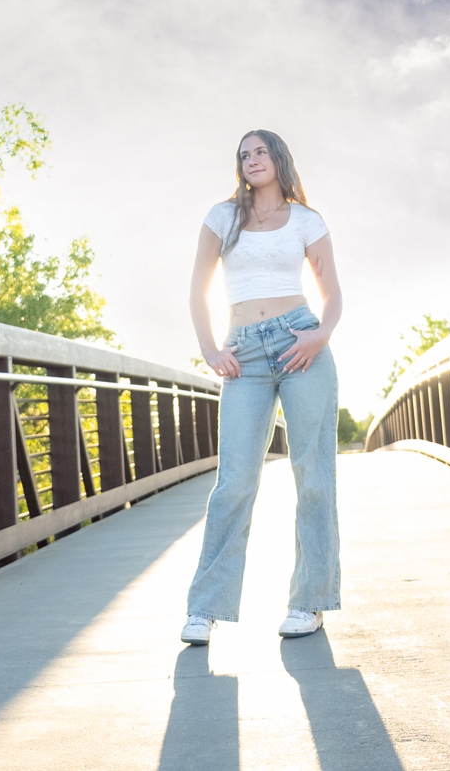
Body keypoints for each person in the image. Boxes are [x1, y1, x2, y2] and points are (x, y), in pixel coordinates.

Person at [181, 129, 342, 645]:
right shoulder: (222, 217)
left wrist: (321, 335)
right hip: (244, 352)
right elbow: (197, 288)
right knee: (234, 482)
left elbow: (332, 294)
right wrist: (210, 349)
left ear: (279, 159)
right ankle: (204, 609)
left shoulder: (306, 220)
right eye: (243, 154)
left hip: (301, 346)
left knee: (313, 476)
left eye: (260, 151)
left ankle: (310, 602)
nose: (252, 160)